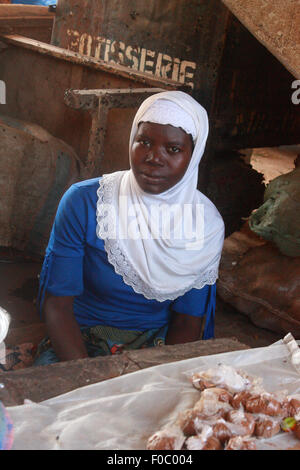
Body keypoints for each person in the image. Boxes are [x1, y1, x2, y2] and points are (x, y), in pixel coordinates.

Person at [34, 90, 225, 365]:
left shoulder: (203, 224)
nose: (153, 158)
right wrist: (87, 375)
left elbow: (187, 321)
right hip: (82, 339)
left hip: (159, 346)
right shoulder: (87, 203)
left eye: (173, 149)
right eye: (144, 142)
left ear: (194, 156)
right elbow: (57, 305)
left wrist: (153, 378)